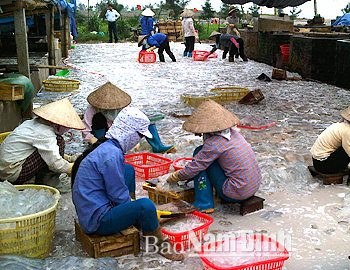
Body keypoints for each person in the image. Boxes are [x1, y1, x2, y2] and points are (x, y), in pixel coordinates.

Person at [72, 107, 183, 261]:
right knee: (146, 206)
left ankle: (132, 216)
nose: (138, 140)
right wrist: (138, 208)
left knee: (128, 170)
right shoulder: (111, 155)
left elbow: (116, 190)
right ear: (129, 133)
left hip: (93, 208)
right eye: (139, 136)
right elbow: (117, 194)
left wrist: (129, 204)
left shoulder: (108, 147)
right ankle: (160, 244)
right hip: (97, 221)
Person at [166, 99, 262, 213]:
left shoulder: (213, 144)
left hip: (236, 193)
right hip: (252, 187)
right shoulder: (235, 134)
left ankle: (204, 202)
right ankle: (214, 196)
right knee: (206, 159)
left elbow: (195, 168)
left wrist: (175, 176)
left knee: (199, 154)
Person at [0, 98, 84, 185]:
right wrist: (76, 167)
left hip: (4, 169)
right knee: (59, 142)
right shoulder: (44, 133)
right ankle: (48, 182)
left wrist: (68, 158)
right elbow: (56, 165)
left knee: (52, 148)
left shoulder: (30, 123)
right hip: (11, 173)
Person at [82, 81, 175, 153]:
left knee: (145, 121)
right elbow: (85, 131)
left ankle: (157, 146)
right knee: (98, 118)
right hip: (102, 133)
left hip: (118, 131)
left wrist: (134, 141)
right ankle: (101, 145)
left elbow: (134, 121)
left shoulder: (122, 105)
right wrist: (94, 141)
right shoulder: (92, 108)